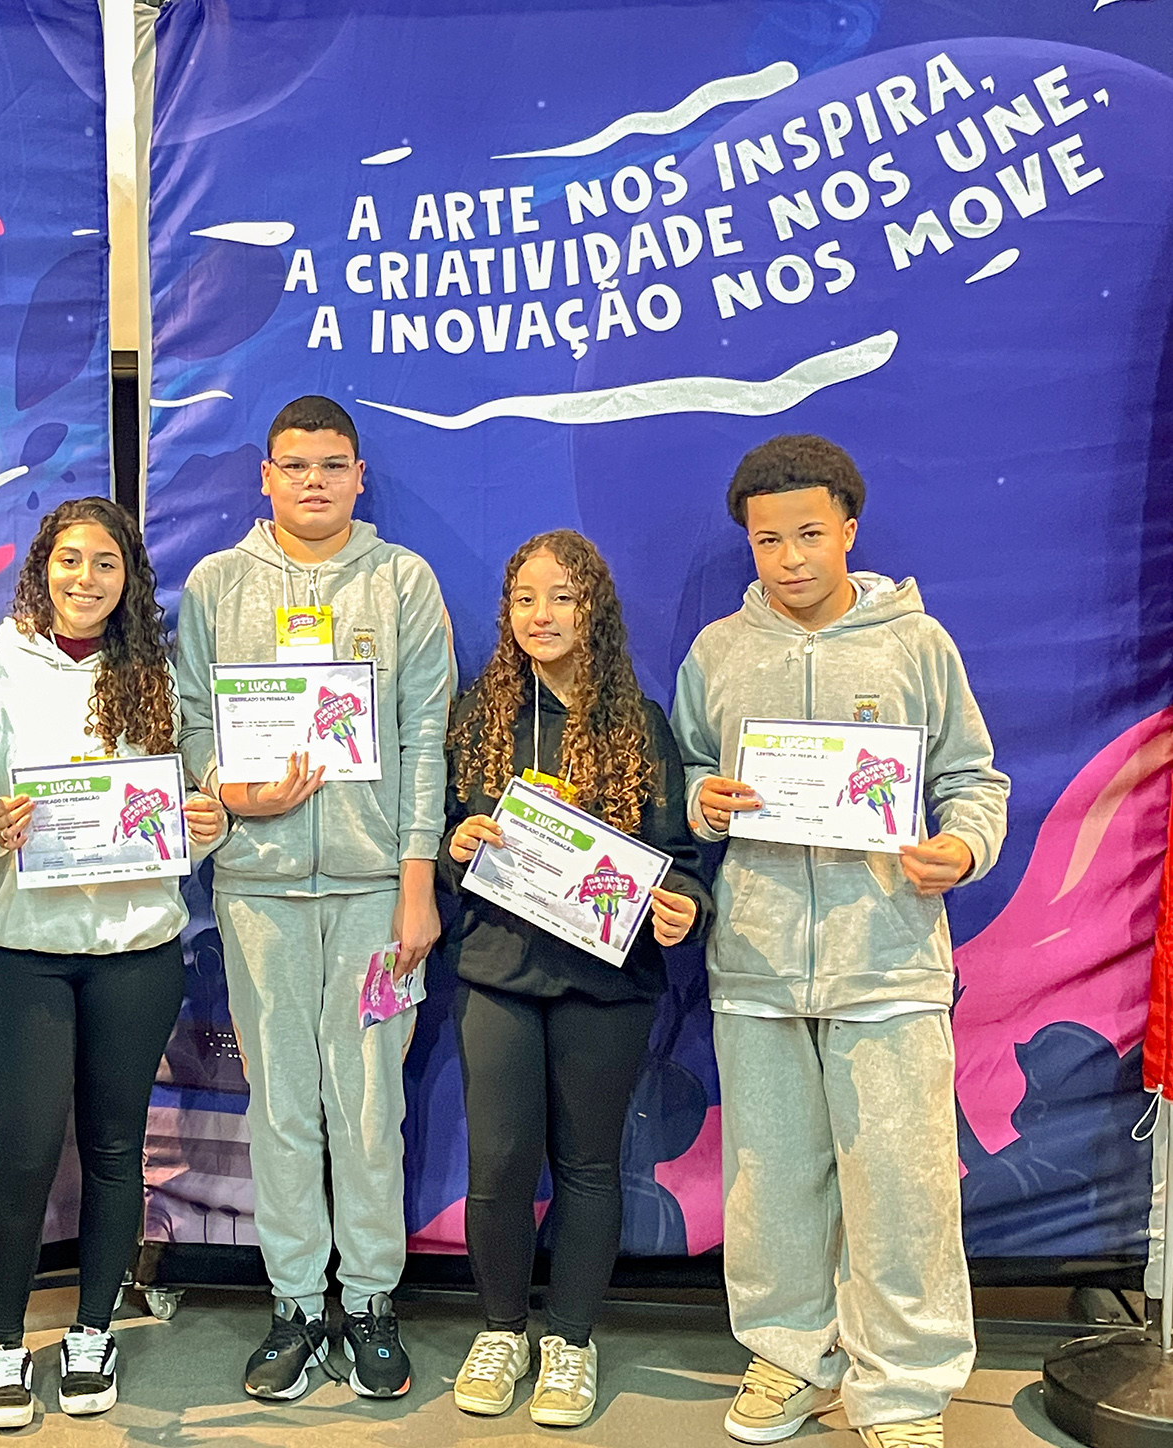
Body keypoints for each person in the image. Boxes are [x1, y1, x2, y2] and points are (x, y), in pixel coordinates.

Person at [670, 435, 1008, 1448]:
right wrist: (701, 799)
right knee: (769, 1184)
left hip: (888, 961)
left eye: (809, 534)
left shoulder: (915, 644)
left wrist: (961, 847)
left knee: (903, 1187)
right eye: (767, 540)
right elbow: (684, 768)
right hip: (756, 964)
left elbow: (972, 778)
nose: (789, 558)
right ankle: (786, 1356)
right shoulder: (718, 652)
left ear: (848, 529)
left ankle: (903, 1390)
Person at [175, 394, 454, 1402]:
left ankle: (370, 1301)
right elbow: (189, 724)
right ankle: (295, 1303)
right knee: (283, 1107)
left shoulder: (402, 579)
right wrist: (229, 790)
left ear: (358, 475)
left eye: (331, 465)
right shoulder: (215, 585)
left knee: (370, 1107)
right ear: (265, 475)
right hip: (257, 893)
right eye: (293, 465)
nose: (313, 482)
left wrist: (415, 883)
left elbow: (425, 735)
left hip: (377, 895)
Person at [0, 497, 226, 1429]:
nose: (85, 578)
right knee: (26, 1154)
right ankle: (2, 1345)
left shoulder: (159, 680)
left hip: (133, 955)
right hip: (21, 957)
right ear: (42, 567)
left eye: (106, 563)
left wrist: (205, 822)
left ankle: (92, 1331)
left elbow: (192, 813)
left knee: (115, 1151)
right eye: (69, 559)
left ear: (129, 579)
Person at [439, 529, 711, 1426]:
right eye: (524, 598)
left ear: (592, 609)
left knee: (589, 1166)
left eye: (561, 596)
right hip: (498, 973)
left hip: (606, 984)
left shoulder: (639, 723)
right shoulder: (478, 717)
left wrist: (683, 906)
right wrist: (454, 844)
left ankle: (569, 1342)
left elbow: (677, 861)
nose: (541, 614)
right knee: (498, 1164)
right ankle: (500, 1331)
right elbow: (437, 834)